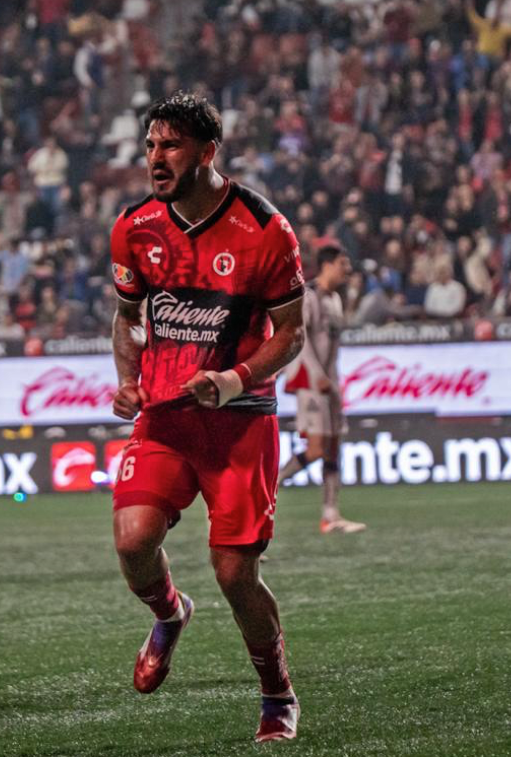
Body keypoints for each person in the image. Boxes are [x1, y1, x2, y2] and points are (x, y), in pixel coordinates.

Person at [109, 91, 306, 742]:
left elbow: (292, 334)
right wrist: (127, 379)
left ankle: (276, 693)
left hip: (240, 422)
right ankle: (169, 614)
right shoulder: (136, 226)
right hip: (165, 417)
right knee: (134, 540)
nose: (155, 158)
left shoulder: (264, 230)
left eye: (169, 146)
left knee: (234, 573)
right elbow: (125, 317)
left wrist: (234, 378)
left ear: (207, 152)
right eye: (149, 146)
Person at [279, 245, 365, 533]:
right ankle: (272, 485)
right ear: (327, 265)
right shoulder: (309, 296)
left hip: (330, 383)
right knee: (316, 448)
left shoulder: (335, 300)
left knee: (333, 448)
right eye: (343, 263)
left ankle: (331, 515)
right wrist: (317, 377)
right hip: (311, 383)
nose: (347, 269)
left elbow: (333, 345)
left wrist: (334, 383)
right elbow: (300, 342)